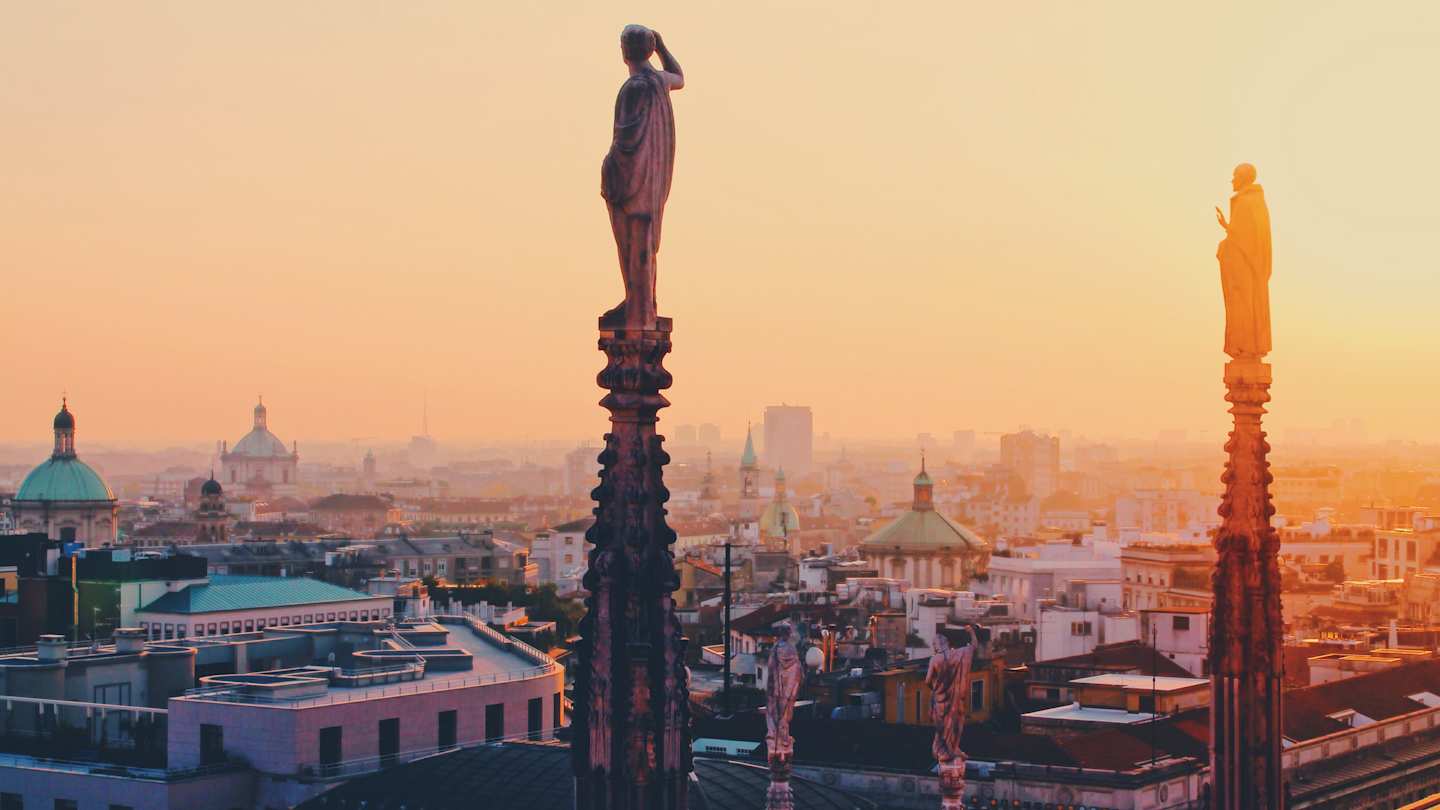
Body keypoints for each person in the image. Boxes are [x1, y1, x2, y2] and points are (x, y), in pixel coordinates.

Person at [601, 25, 684, 329]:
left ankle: (639, 307)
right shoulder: (658, 82)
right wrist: (662, 47)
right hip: (652, 184)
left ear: (625, 51)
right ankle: (641, 303)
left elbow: (626, 140)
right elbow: (679, 77)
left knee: (631, 245)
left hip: (631, 182)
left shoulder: (635, 88)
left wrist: (609, 168)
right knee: (644, 246)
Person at [1215, 163, 1272, 359]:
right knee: (1240, 304)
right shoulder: (1251, 201)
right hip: (1243, 266)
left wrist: (1227, 239)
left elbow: (1247, 238)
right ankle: (1243, 346)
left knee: (1245, 304)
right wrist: (1228, 229)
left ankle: (1246, 346)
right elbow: (1244, 235)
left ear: (1244, 178)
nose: (1232, 180)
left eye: (1235, 176)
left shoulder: (1249, 201)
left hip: (1246, 268)